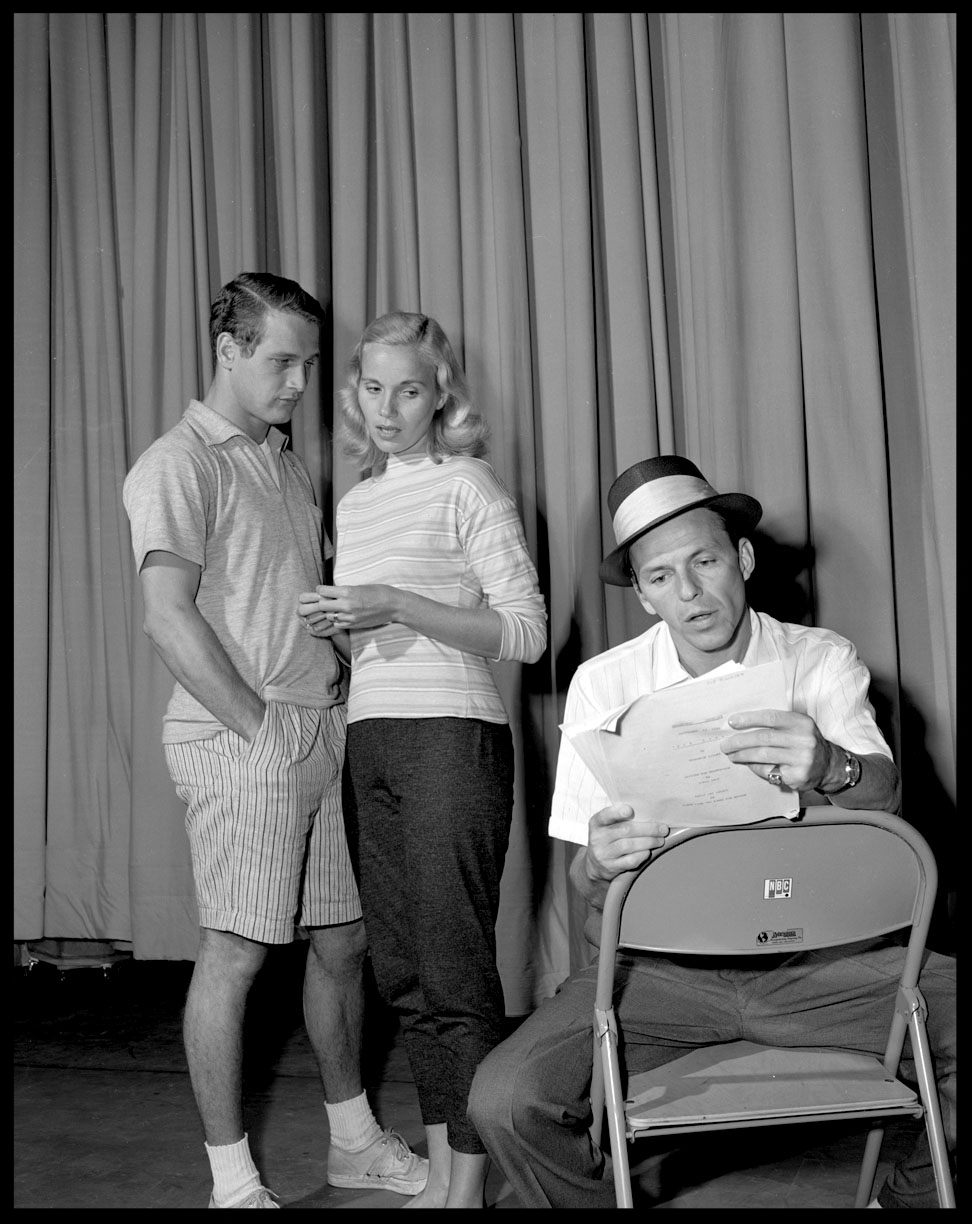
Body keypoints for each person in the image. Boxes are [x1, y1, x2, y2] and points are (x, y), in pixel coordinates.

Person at [467, 455, 956, 1209]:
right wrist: (599, 864)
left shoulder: (818, 660)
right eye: (660, 576)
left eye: (704, 560)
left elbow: (887, 799)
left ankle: (905, 1200)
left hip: (815, 967)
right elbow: (580, 880)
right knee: (505, 1099)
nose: (689, 593)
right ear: (642, 594)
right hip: (655, 977)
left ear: (744, 557)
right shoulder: (606, 683)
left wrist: (830, 765)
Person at [122, 274, 427, 1209]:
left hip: (321, 727)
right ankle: (232, 1183)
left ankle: (351, 1141)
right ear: (227, 350)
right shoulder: (176, 464)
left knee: (344, 942)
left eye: (307, 361)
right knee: (237, 953)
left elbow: (279, 601)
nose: (300, 380)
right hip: (240, 737)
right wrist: (259, 731)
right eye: (280, 360)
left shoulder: (282, 458)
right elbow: (167, 620)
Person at [297, 310, 547, 1208]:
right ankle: (445, 1176)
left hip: (452, 735)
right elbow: (369, 637)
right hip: (376, 738)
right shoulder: (357, 503)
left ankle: (468, 1189)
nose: (391, 406)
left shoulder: (468, 485)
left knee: (453, 970)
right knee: (403, 975)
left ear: (442, 392)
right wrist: (337, 626)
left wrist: (397, 602)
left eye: (410, 388)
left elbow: (524, 631)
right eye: (374, 388)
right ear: (354, 395)